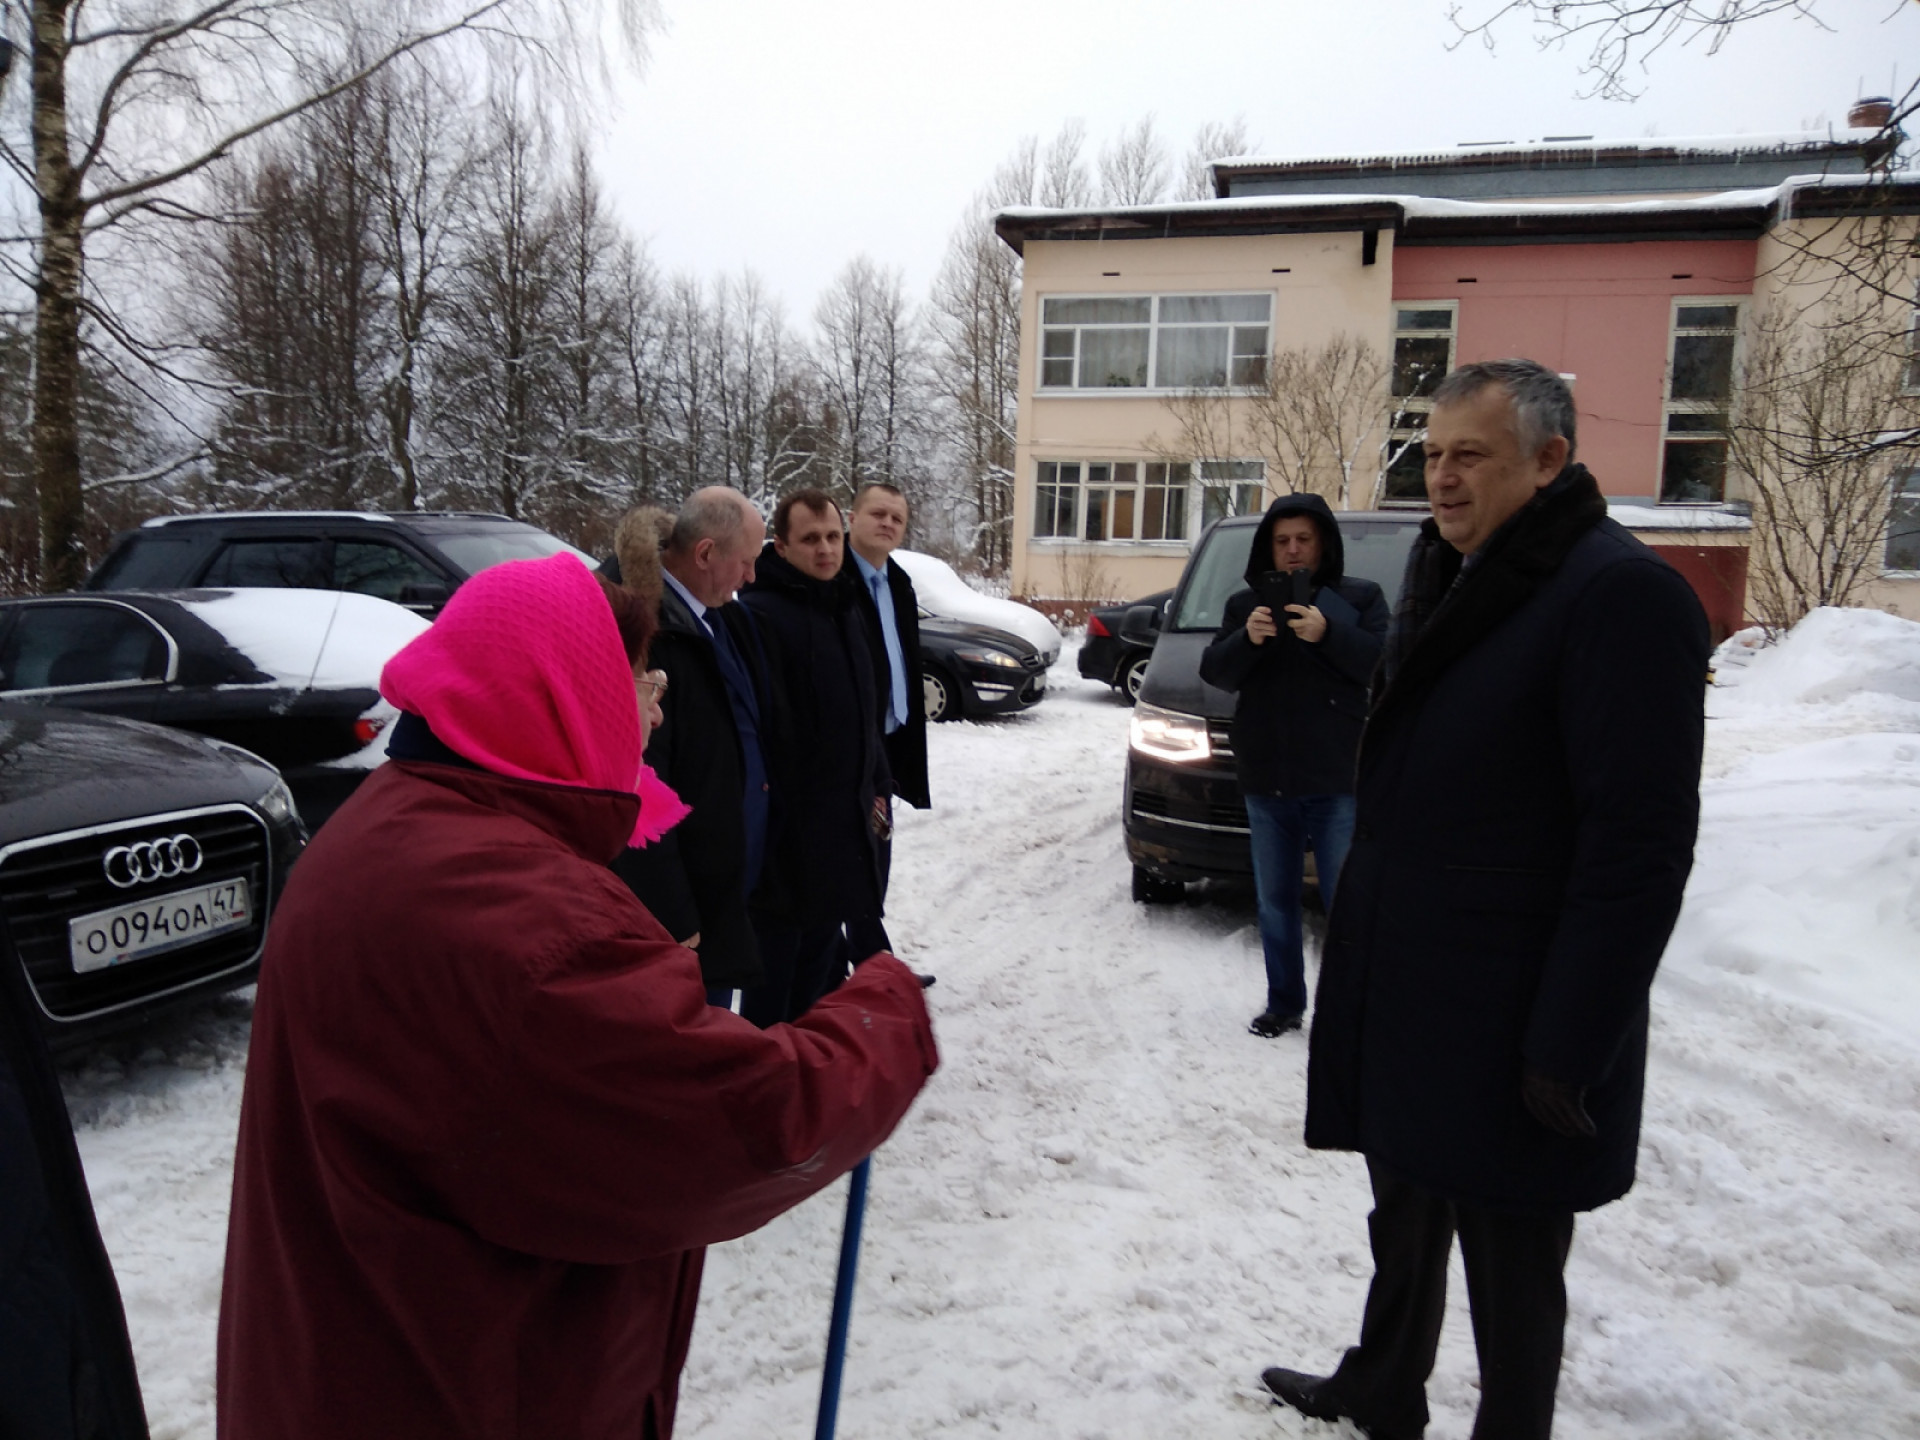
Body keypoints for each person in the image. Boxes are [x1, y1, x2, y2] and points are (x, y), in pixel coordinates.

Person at [217, 552, 937, 1440]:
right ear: (563, 690)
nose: (657, 689)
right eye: (633, 668)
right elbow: (743, 1123)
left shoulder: (400, 820)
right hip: (466, 1389)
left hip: (362, 1362)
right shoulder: (525, 926)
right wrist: (884, 1013)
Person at [1262, 360, 1709, 1440]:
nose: (1443, 479)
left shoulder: (1617, 593)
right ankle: (1383, 1382)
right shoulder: (1449, 573)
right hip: (1417, 987)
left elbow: (1639, 847)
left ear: (1550, 462)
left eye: (1474, 456)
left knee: (1513, 1271)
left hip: (1515, 1016)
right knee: (1404, 1212)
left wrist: (1571, 1042)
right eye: (1433, 455)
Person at [1199, 493, 1387, 1039]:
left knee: (1345, 905)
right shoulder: (1246, 606)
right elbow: (1217, 672)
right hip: (1268, 780)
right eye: (1282, 541)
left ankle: (1351, 1007)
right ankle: (1284, 1003)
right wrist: (1248, 639)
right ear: (1269, 548)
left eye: (1304, 539)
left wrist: (1328, 632)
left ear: (1323, 542)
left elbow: (1383, 666)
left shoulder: (1359, 599)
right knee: (1275, 903)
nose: (1293, 551)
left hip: (1336, 781)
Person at [609, 489, 776, 1008]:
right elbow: (637, 790)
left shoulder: (714, 617)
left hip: (720, 890)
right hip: (683, 917)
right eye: (746, 563)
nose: (752, 578)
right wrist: (676, 919)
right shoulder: (647, 632)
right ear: (705, 555)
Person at [739, 489, 891, 1027]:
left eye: (832, 537)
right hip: (790, 842)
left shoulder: (845, 603)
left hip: (843, 830)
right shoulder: (759, 616)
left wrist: (878, 781)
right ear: (780, 548)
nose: (825, 550)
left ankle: (802, 1082)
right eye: (810, 539)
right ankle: (762, 1088)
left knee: (819, 976)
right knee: (773, 986)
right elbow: (763, 734)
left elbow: (867, 707)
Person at [843, 482, 929, 964]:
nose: (887, 523)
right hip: (852, 743)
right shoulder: (837, 583)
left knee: (877, 850)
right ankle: (868, 960)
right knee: (859, 852)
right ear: (851, 518)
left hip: (889, 740)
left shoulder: (897, 582)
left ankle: (868, 956)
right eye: (877, 513)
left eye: (897, 518)